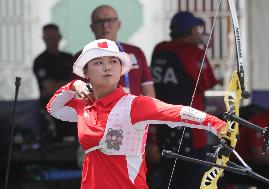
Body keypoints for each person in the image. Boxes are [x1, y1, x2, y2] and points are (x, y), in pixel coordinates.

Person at [46, 39, 227, 189]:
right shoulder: (83, 106)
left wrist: (218, 125)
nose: (107, 67)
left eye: (113, 61)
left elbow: (178, 112)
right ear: (86, 72)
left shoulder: (135, 104)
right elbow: (53, 108)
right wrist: (73, 86)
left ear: (121, 70)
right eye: (98, 62)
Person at [74, 5, 160, 184]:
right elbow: (77, 99)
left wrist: (152, 136)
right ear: (92, 27)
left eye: (110, 20)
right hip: (99, 134)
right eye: (100, 21)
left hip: (133, 133)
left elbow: (150, 96)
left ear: (119, 24)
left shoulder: (135, 53)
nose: (105, 25)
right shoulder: (82, 57)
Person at [150, 11, 219, 189]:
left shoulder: (160, 48)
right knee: (191, 177)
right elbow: (208, 82)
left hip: (164, 120)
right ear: (189, 31)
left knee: (169, 173)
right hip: (190, 124)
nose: (199, 32)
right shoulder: (190, 52)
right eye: (196, 28)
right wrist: (202, 51)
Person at [33, 23, 77, 143]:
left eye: (54, 38)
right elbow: (50, 88)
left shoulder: (69, 58)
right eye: (49, 39)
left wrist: (60, 84)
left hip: (72, 107)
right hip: (51, 111)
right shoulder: (40, 61)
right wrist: (71, 84)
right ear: (44, 39)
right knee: (56, 145)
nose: (52, 42)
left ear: (60, 37)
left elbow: (80, 83)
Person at [231, 96, 269, 189]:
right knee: (266, 173)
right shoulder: (261, 122)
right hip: (239, 163)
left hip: (267, 163)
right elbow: (259, 158)